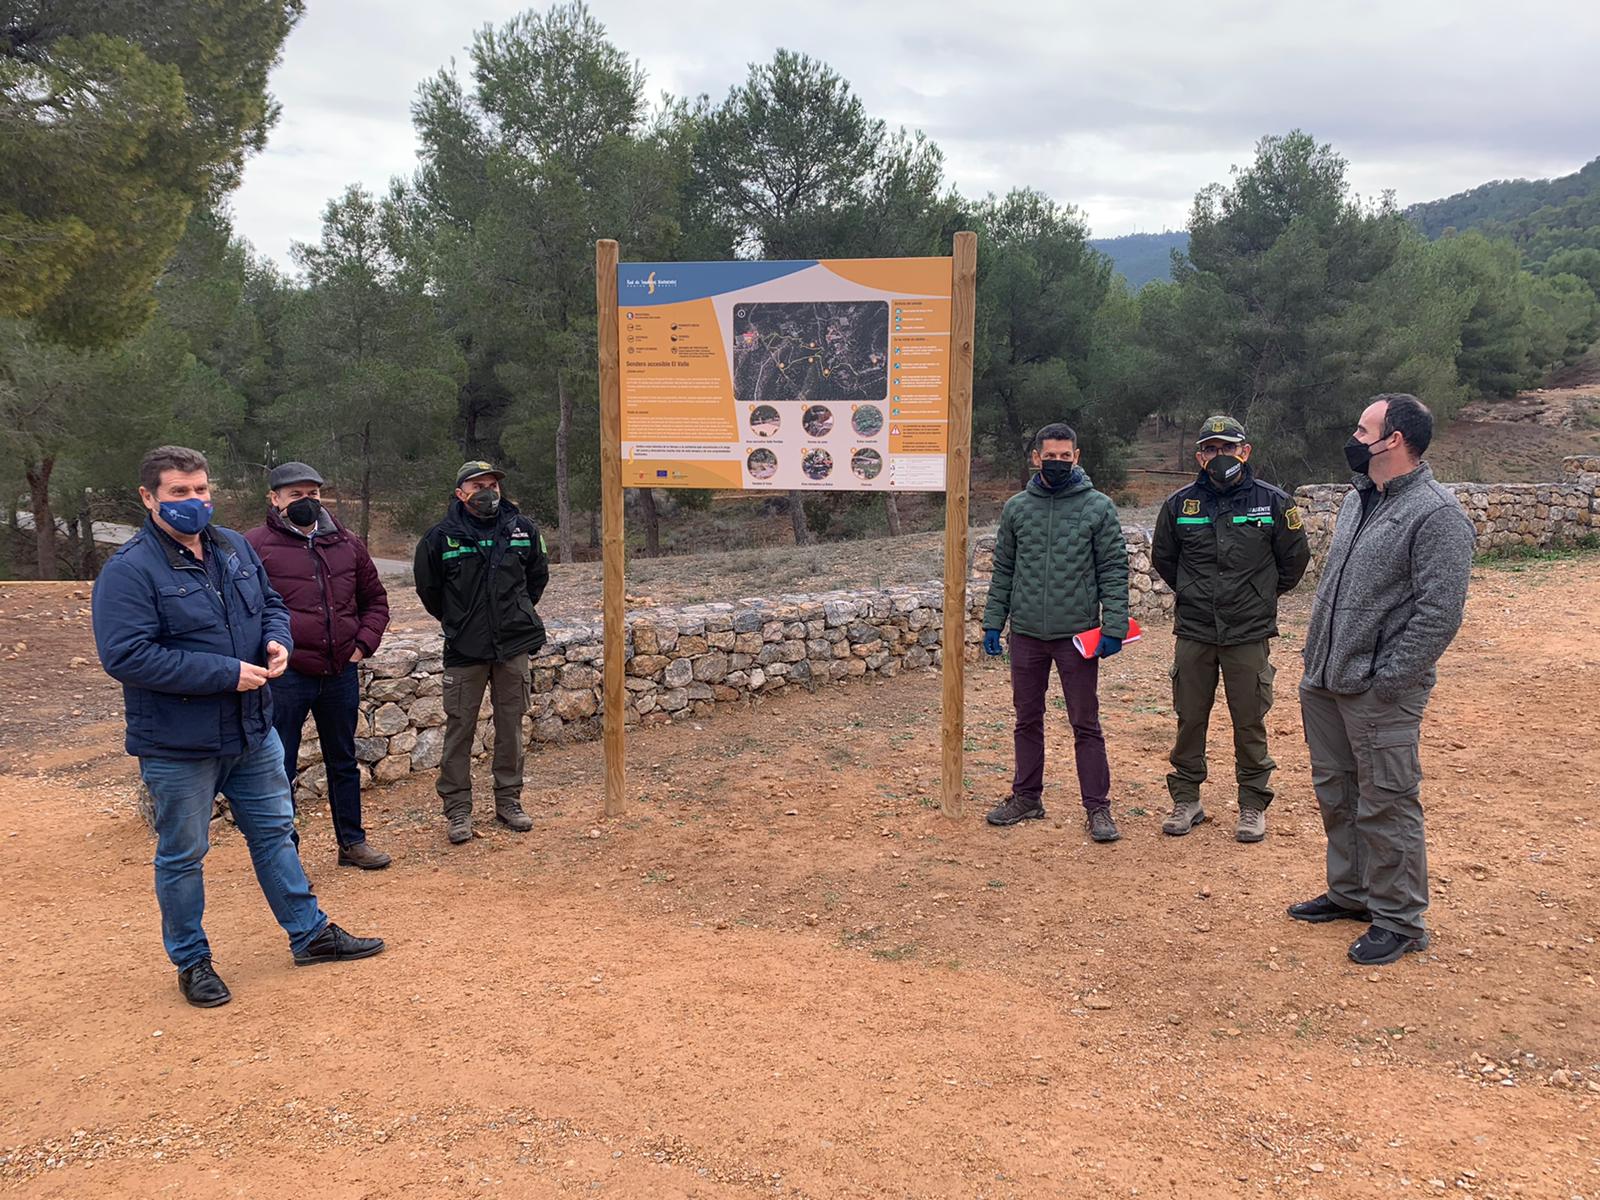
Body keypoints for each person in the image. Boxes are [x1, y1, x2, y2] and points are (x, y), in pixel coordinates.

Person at [92, 446, 385, 1009]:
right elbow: (126, 655)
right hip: (179, 743)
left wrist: (277, 639)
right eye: (180, 492)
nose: (194, 501)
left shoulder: (231, 548)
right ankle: (193, 961)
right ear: (148, 497)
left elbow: (271, 604)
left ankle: (310, 933)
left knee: (275, 833)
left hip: (251, 731)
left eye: (201, 490)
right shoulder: (129, 570)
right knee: (183, 854)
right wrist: (226, 672)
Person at [1292, 395, 1475, 966]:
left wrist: (1388, 678)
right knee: (1338, 793)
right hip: (1326, 677)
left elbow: (1439, 611)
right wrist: (1316, 661)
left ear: (1392, 439)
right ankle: (1352, 894)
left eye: (1362, 428)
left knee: (1387, 802)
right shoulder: (1357, 500)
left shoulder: (1438, 515)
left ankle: (1399, 919)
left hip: (1378, 690)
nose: (1353, 436)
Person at [1151, 415, 1311, 843]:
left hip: (1248, 631)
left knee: (1249, 720)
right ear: (1200, 455)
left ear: (1246, 451)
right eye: (1211, 449)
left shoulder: (1273, 503)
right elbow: (1165, 560)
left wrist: (1259, 596)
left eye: (1228, 448)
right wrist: (1195, 592)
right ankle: (1187, 800)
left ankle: (1253, 804)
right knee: (1189, 719)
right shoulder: (1179, 505)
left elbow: (1294, 561)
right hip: (1196, 630)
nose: (1220, 457)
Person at [980, 423, 1131, 843]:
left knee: (1085, 723)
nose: (1059, 462)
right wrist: (995, 620)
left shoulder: (1098, 507)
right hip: (1026, 633)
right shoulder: (1016, 509)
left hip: (1076, 636)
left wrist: (1114, 625)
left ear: (1077, 458)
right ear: (1036, 457)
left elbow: (1114, 571)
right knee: (1027, 719)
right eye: (1051, 456)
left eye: (1066, 456)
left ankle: (1098, 808)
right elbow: (1004, 570)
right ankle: (1026, 797)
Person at [245, 462, 392, 870]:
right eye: (296, 495)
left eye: (313, 494)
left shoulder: (347, 543)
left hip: (340, 671)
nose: (306, 502)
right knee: (281, 766)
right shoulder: (253, 546)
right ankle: (285, 857)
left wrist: (362, 645)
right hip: (286, 676)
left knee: (343, 760)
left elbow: (375, 601)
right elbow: (243, 611)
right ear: (275, 500)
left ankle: (352, 843)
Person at [413, 461, 550, 844]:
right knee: (460, 730)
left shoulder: (523, 529)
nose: (487, 491)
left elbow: (536, 577)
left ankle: (509, 802)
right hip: (464, 648)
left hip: (513, 645)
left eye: (492, 484)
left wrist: (516, 613)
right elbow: (430, 592)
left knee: (511, 728)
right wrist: (460, 622)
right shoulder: (440, 537)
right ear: (460, 493)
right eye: (478, 485)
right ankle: (458, 811)